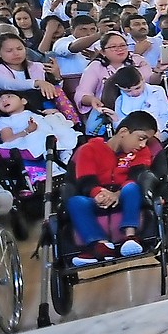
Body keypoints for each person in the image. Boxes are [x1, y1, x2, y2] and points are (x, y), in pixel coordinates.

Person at [68, 111, 157, 266]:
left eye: (146, 141)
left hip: (125, 195)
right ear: (123, 132)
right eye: (141, 138)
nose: (142, 145)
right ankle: (100, 245)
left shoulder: (142, 153)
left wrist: (117, 194)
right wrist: (98, 194)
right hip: (96, 196)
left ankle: (130, 237)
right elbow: (85, 179)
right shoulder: (89, 149)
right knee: (75, 202)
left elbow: (137, 175)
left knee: (132, 187)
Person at [110, 66, 168, 142]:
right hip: (132, 136)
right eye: (128, 91)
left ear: (143, 80)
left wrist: (157, 130)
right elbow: (120, 127)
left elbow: (164, 115)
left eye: (138, 88)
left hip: (158, 130)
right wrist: (115, 119)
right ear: (119, 87)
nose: (134, 93)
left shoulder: (157, 91)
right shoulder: (120, 101)